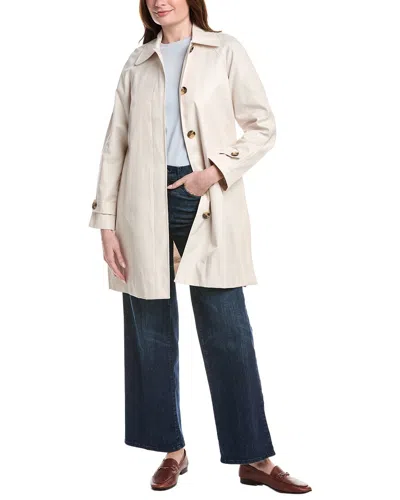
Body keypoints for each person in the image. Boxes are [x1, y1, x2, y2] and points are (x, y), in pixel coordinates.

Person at [89, 0, 312, 493]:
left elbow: (262, 125)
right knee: (149, 330)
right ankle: (171, 450)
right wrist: (106, 223)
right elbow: (115, 144)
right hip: (141, 204)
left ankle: (255, 458)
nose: (159, 1)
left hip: (205, 196)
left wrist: (213, 172)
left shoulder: (225, 50)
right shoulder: (137, 61)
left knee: (228, 329)